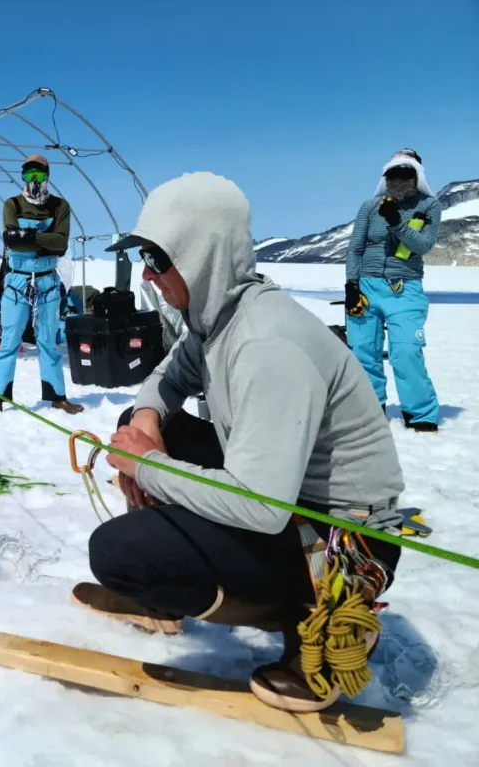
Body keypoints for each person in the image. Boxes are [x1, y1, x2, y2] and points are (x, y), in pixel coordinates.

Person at [76, 172, 405, 712]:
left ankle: (311, 613)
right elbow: (164, 381)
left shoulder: (264, 346)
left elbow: (260, 505)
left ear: (203, 255)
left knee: (116, 553)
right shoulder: (217, 322)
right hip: (292, 503)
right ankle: (173, 580)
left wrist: (149, 465)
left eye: (159, 258)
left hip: (340, 540)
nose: (147, 274)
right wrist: (149, 423)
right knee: (169, 430)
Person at [344, 149, 442, 432]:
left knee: (406, 351)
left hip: (405, 289)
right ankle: (369, 409)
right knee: (363, 351)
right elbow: (355, 248)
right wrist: (351, 285)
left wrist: (396, 222)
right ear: (385, 176)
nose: (398, 178)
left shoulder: (429, 207)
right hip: (366, 287)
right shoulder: (368, 207)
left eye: (405, 173)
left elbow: (423, 246)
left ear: (417, 176)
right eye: (393, 173)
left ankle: (421, 412)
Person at [0, 155, 83, 415]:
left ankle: (57, 396)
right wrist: (44, 238)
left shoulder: (60, 206)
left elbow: (61, 244)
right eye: (28, 175)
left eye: (39, 175)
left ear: (47, 175)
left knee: (48, 341)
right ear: (23, 176)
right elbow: (12, 241)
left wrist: (28, 238)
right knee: (9, 341)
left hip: (47, 282)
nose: (34, 181)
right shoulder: (12, 204)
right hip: (17, 283)